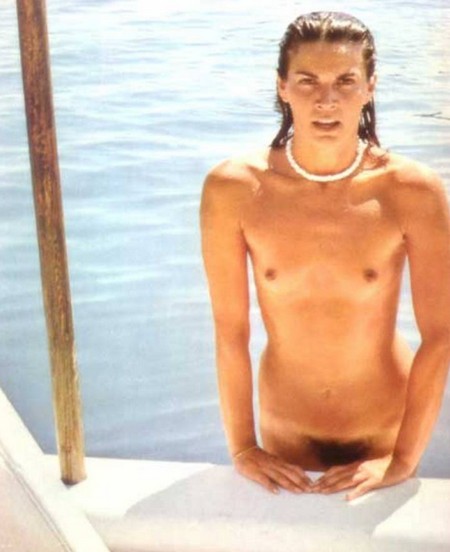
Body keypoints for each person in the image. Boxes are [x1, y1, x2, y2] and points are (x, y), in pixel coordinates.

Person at [200, 11, 450, 501]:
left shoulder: (412, 192)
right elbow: (230, 331)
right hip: (284, 429)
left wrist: (403, 458)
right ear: (282, 87)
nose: (326, 100)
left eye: (345, 81)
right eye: (308, 81)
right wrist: (242, 446)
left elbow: (440, 336)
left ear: (370, 87)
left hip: (384, 428)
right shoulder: (233, 190)